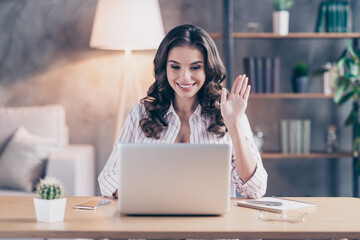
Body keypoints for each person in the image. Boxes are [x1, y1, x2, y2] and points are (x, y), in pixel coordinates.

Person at [98, 24, 267, 199]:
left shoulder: (230, 115)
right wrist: (148, 198)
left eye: (195, 67)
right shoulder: (141, 114)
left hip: (212, 224)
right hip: (151, 220)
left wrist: (234, 124)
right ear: (164, 67)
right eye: (175, 67)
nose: (185, 77)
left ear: (208, 70)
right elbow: (109, 178)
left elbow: (255, 189)